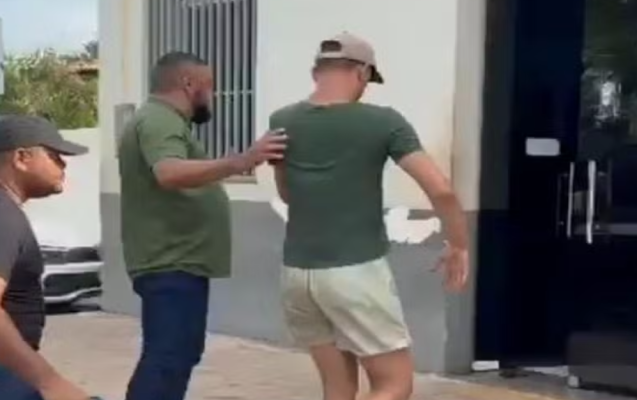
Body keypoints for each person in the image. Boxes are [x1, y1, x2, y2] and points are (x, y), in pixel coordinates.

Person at [270, 33, 470, 400]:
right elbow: (441, 190)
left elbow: (287, 194)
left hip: (297, 272)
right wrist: (458, 244)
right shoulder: (384, 122)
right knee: (393, 384)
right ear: (362, 72)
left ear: (316, 72)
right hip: (355, 272)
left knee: (337, 388)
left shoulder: (282, 120)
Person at [118, 52, 286, 400]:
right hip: (170, 260)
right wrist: (241, 161)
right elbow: (169, 172)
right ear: (188, 83)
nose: (212, 95)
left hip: (178, 260)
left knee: (178, 354)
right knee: (167, 358)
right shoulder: (159, 120)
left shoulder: (162, 120)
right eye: (209, 86)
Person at [0, 115, 92, 400]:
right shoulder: (3, 215)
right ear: (22, 158)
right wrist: (49, 382)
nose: (63, 165)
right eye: (54, 156)